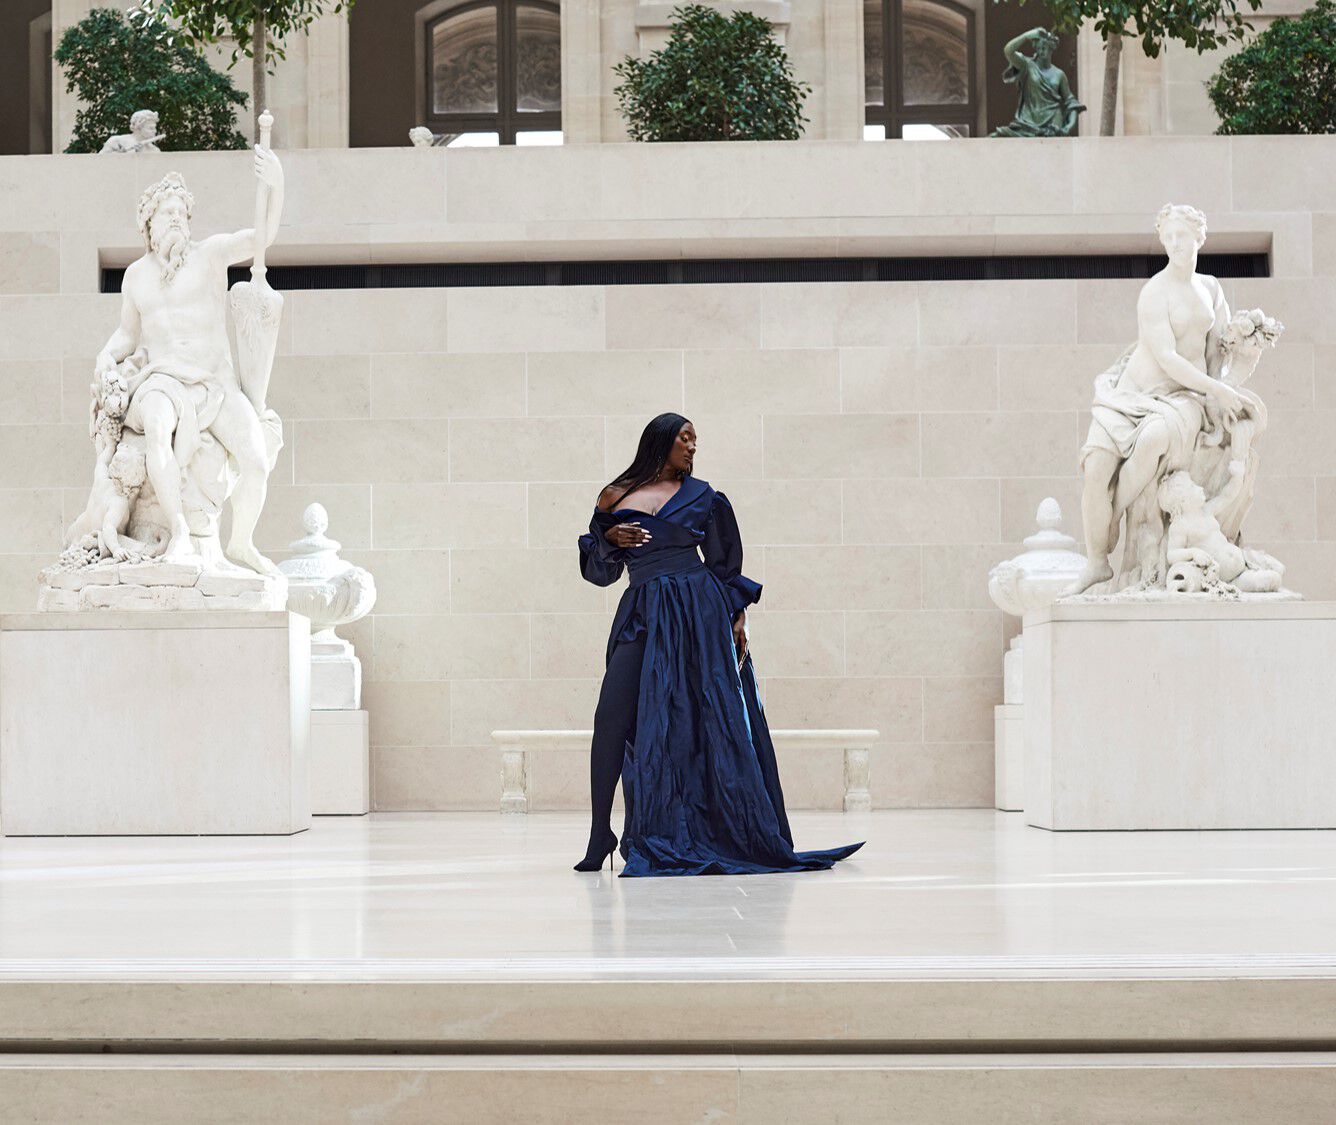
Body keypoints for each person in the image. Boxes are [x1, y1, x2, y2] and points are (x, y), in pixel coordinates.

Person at [575, 413, 865, 877]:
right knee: (610, 716)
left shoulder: (705, 498)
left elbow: (725, 564)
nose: (692, 447)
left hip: (698, 615)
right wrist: (607, 537)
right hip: (644, 611)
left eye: (695, 441)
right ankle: (598, 834)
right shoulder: (614, 496)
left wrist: (737, 616)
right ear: (660, 442)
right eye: (684, 439)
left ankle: (707, 823)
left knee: (700, 718)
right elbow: (600, 573)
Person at [92, 149, 284, 572]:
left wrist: (276, 182)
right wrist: (107, 355)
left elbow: (261, 238)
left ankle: (241, 542)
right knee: (158, 425)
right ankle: (179, 529)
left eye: (182, 212)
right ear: (149, 225)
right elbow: (128, 333)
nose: (176, 218)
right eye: (166, 213)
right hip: (161, 380)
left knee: (255, 460)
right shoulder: (135, 276)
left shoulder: (210, 255)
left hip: (216, 383)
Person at [1068, 203, 1255, 595]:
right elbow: (1166, 357)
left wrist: (1231, 374)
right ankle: (1097, 562)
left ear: (1198, 237)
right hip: (1131, 393)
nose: (1174, 243)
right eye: (1167, 237)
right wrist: (1217, 388)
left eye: (1181, 235)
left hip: (1182, 397)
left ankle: (1113, 518)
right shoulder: (1154, 291)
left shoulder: (1211, 287)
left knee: (1154, 439)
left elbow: (1217, 353)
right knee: (1096, 468)